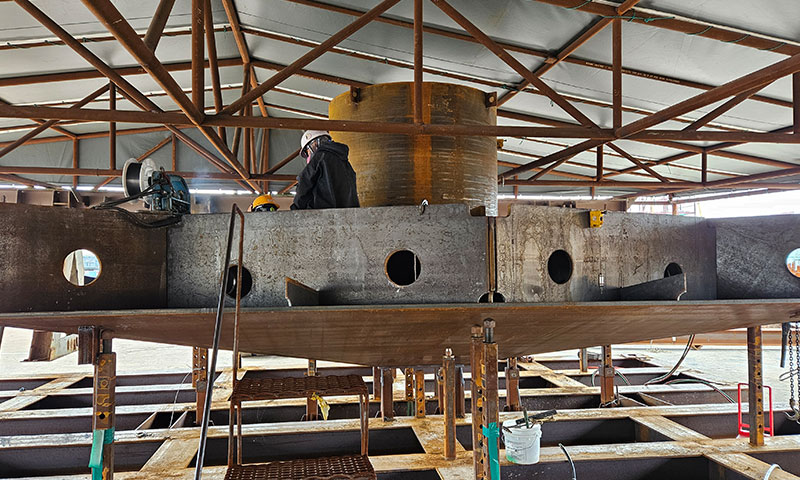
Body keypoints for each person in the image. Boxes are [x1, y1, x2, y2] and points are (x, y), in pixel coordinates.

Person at [291, 130, 359, 210]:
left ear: (314, 144)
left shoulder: (320, 157)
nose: (308, 156)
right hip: (348, 213)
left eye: (307, 152)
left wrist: (296, 208)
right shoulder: (345, 162)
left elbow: (304, 182)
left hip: (323, 213)